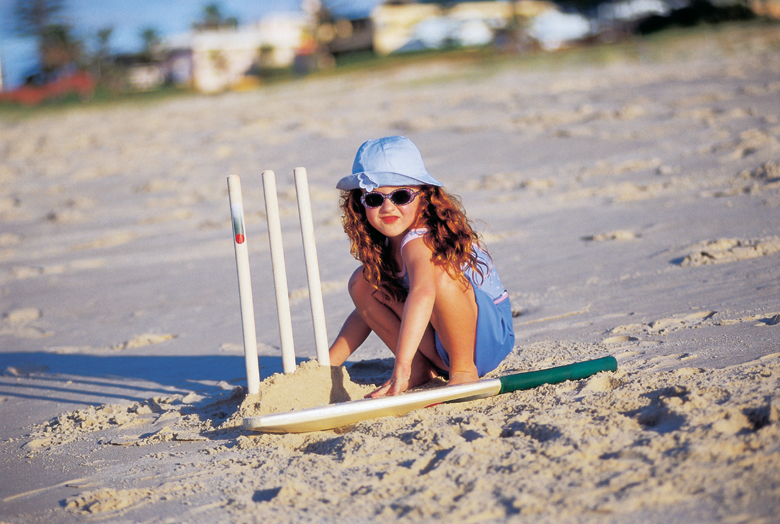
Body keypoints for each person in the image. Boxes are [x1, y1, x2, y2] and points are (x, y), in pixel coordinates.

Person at [328, 136, 515, 397]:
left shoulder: (421, 240)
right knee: (363, 282)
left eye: (401, 195)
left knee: (439, 274)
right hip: (440, 350)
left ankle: (462, 371)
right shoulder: (386, 247)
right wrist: (328, 365)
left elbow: (423, 294)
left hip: (485, 337)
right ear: (359, 203)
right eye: (374, 199)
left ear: (424, 198)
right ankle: (419, 368)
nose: (387, 207)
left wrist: (399, 368)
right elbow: (365, 313)